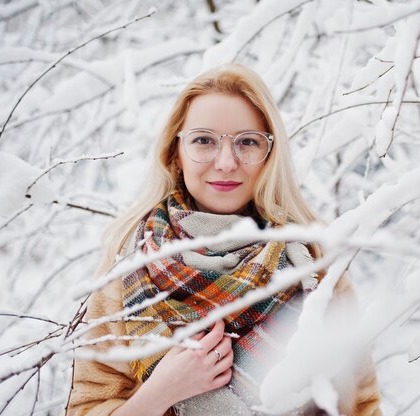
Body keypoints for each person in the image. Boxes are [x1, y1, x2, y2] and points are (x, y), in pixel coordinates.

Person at [66, 63, 381, 416]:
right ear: (176, 154)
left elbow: (362, 405)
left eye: (247, 142)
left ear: (270, 155)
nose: (227, 162)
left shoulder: (314, 266)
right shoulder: (127, 274)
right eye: (204, 141)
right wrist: (161, 392)